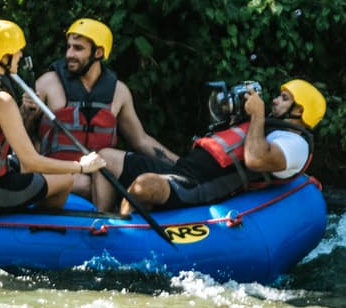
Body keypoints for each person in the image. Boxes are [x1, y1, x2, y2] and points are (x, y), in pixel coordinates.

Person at [0, 19, 106, 215]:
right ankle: (36, 230)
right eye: (16, 51)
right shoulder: (1, 100)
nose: (20, 55)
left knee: (23, 165)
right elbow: (31, 162)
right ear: (3, 56)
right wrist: (81, 167)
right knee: (66, 179)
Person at [24, 18, 175, 210]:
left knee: (102, 169)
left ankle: (104, 223)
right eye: (69, 47)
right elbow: (21, 132)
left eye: (78, 48)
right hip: (58, 171)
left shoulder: (119, 91)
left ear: (99, 52)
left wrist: (179, 164)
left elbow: (141, 140)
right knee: (84, 184)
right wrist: (27, 113)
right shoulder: (47, 83)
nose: (69, 54)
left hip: (99, 175)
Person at [113, 79, 325, 215]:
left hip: (201, 185)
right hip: (185, 168)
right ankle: (101, 215)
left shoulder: (296, 144)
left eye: (284, 99)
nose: (275, 101)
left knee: (143, 185)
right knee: (107, 157)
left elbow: (255, 159)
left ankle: (118, 231)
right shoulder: (269, 128)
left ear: (299, 111)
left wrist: (257, 114)